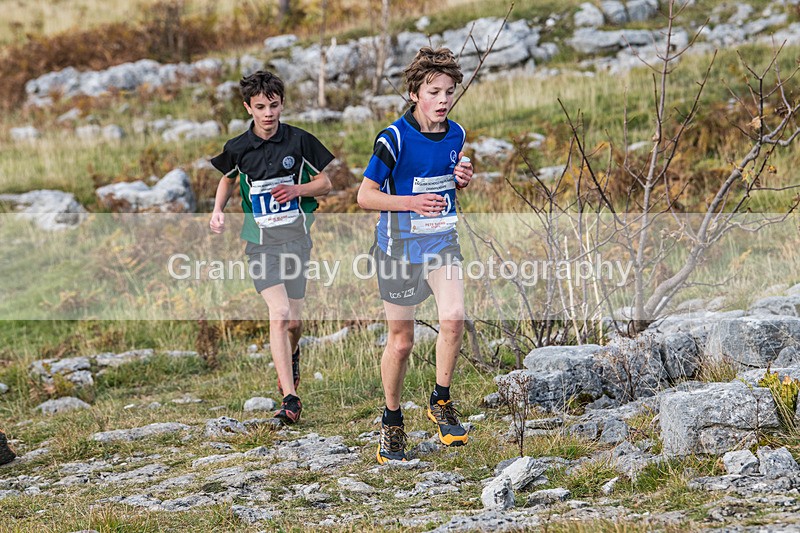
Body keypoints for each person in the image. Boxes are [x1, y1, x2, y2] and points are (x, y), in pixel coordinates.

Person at [357, 47, 474, 463]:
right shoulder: (393, 138)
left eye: (448, 91)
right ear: (414, 94)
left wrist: (461, 178)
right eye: (433, 91)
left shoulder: (457, 134)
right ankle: (391, 421)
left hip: (441, 242)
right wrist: (410, 203)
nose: (443, 100)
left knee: (454, 316)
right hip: (399, 250)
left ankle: (440, 400)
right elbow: (365, 195)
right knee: (402, 342)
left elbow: (445, 179)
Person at [210, 70, 334, 425]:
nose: (268, 113)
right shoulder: (238, 148)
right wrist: (218, 211)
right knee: (279, 314)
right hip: (260, 244)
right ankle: (289, 398)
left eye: (274, 105)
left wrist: (297, 191)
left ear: (282, 104)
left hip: (296, 241)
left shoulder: (298, 141)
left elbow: (324, 183)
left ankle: (291, 358)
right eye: (261, 106)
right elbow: (227, 178)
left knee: (294, 320)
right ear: (248, 107)